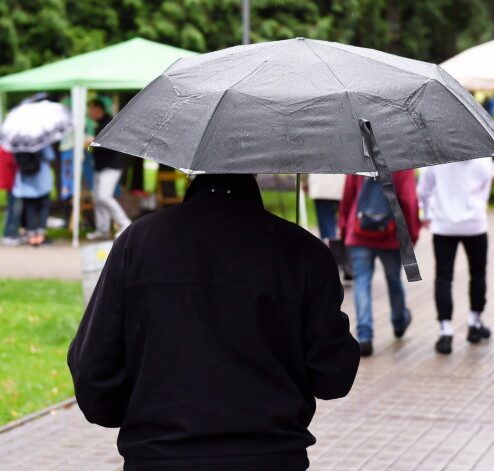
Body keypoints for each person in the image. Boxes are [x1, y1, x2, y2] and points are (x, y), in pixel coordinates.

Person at [68, 173, 360, 470]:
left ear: (188, 171)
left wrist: (142, 421)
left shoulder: (138, 242)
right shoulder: (305, 252)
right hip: (270, 457)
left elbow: (94, 373)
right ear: (257, 168)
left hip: (160, 456)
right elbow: (333, 377)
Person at [338, 170, 420, 357]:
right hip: (391, 234)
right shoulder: (402, 163)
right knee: (394, 280)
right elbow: (408, 201)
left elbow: (348, 195)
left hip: (359, 230)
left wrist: (344, 227)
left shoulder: (359, 156)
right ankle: (399, 322)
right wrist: (411, 234)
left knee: (362, 283)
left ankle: (365, 337)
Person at [417, 159, 492, 355]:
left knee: (443, 277)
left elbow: (424, 188)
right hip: (475, 224)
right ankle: (474, 323)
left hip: (443, 224)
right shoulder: (482, 154)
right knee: (477, 272)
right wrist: (478, 209)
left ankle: (446, 331)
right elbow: (486, 186)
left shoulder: (435, 152)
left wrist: (426, 212)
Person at [85, 99, 131, 240]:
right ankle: (102, 229)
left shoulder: (108, 123)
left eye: (91, 109)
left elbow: (111, 147)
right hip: (101, 167)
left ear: (98, 109)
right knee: (98, 199)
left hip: (110, 167)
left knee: (104, 197)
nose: (89, 113)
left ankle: (125, 223)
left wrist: (94, 142)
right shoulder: (100, 124)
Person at [11, 145, 55, 246]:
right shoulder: (41, 141)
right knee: (44, 207)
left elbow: (15, 159)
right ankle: (40, 235)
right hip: (42, 179)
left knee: (29, 208)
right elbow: (50, 156)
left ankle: (31, 236)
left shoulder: (19, 142)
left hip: (25, 179)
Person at [0, 146, 22, 245]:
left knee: (12, 207)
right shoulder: (7, 148)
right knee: (14, 208)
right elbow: (9, 163)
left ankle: (9, 233)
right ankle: (10, 234)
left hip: (11, 181)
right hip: (13, 181)